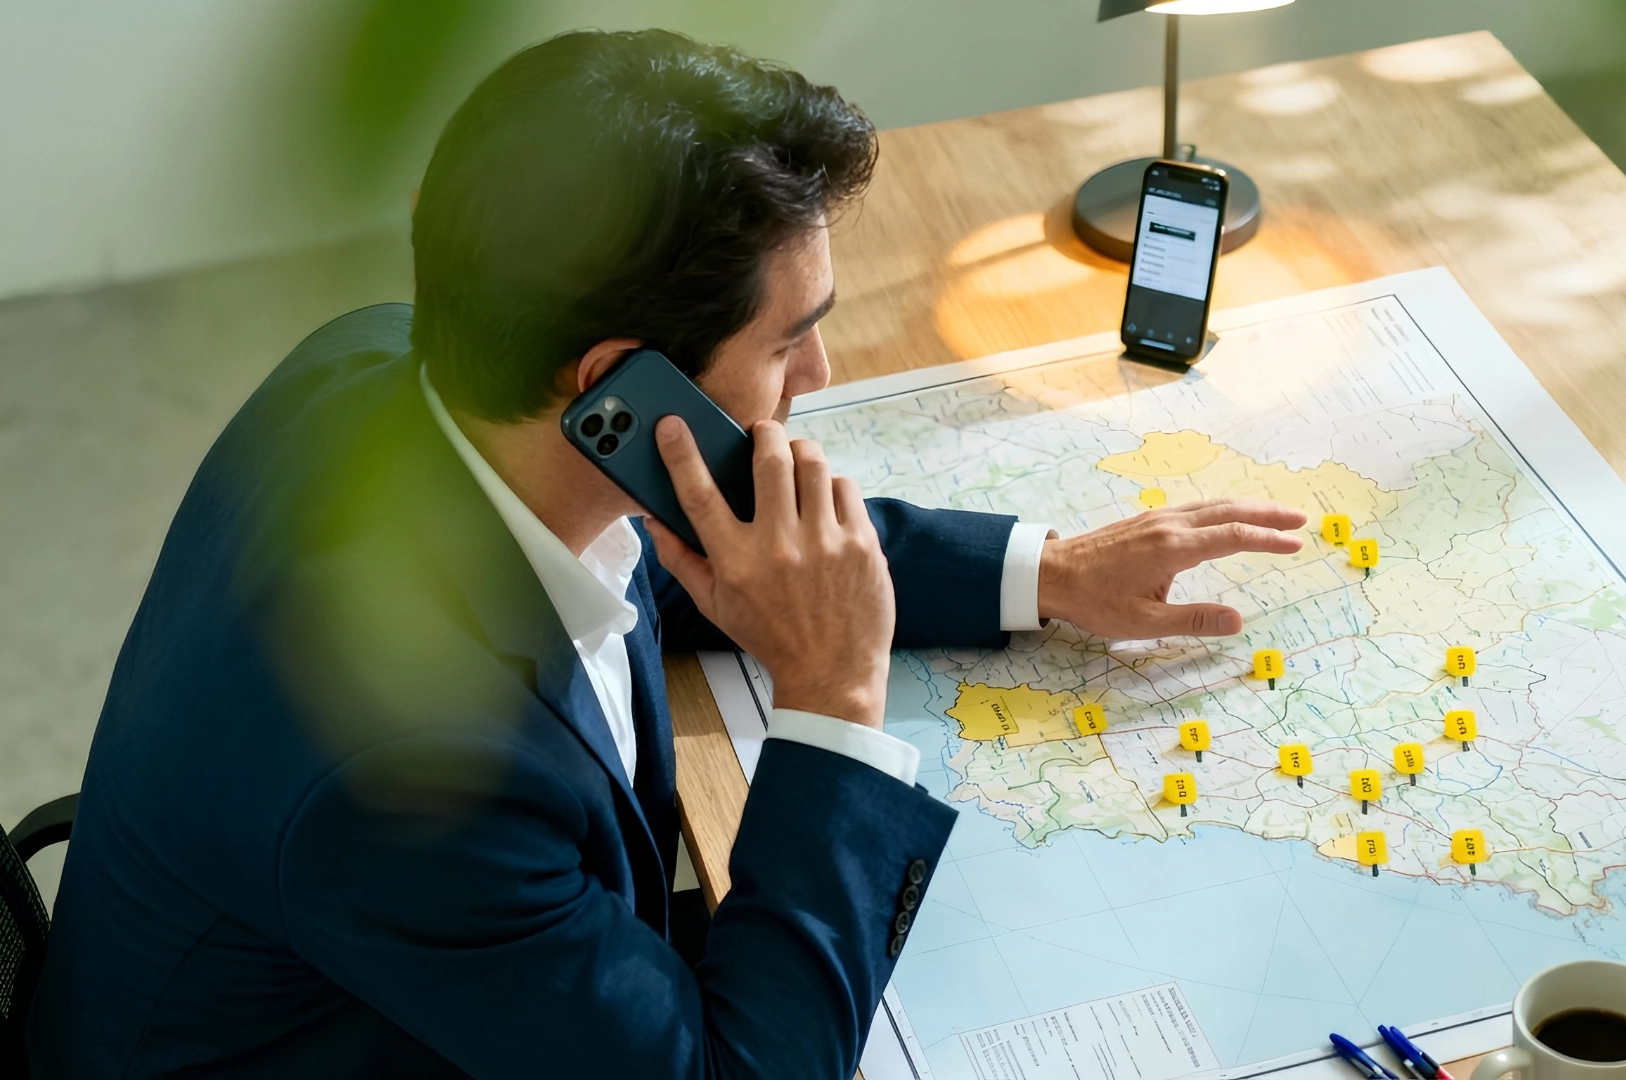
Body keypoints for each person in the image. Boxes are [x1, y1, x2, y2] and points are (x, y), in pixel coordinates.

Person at [28, 29, 1307, 1078]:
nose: (819, 377)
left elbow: (727, 536)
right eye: (790, 340)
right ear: (619, 398)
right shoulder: (414, 777)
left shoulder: (382, 363)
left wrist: (1049, 571)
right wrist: (834, 703)